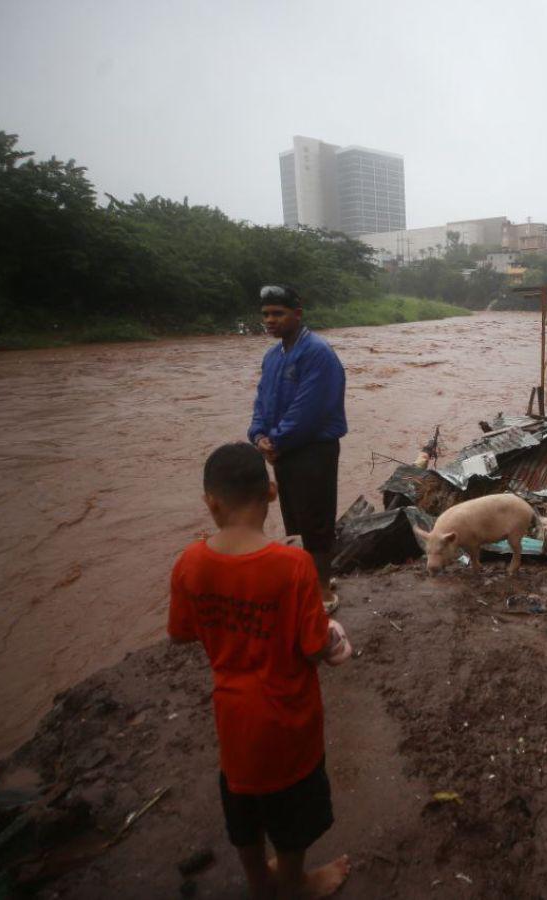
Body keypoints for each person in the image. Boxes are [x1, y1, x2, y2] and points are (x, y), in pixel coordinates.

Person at [168, 443, 352, 898]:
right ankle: (295, 883)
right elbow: (313, 648)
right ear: (272, 493)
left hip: (233, 722)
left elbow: (181, 633)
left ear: (210, 501)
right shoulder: (293, 566)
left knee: (243, 810)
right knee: (293, 818)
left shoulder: (190, 563)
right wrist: (333, 636)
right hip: (290, 724)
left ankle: (259, 884)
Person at [248, 285, 347, 613]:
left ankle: (323, 591)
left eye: (278, 313)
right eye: (265, 314)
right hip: (284, 450)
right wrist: (259, 435)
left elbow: (310, 409)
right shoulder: (273, 356)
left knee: (316, 520)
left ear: (298, 314)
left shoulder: (317, 352)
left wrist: (275, 440)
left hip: (314, 450)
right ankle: (308, 579)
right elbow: (263, 400)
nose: (270, 320)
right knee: (294, 519)